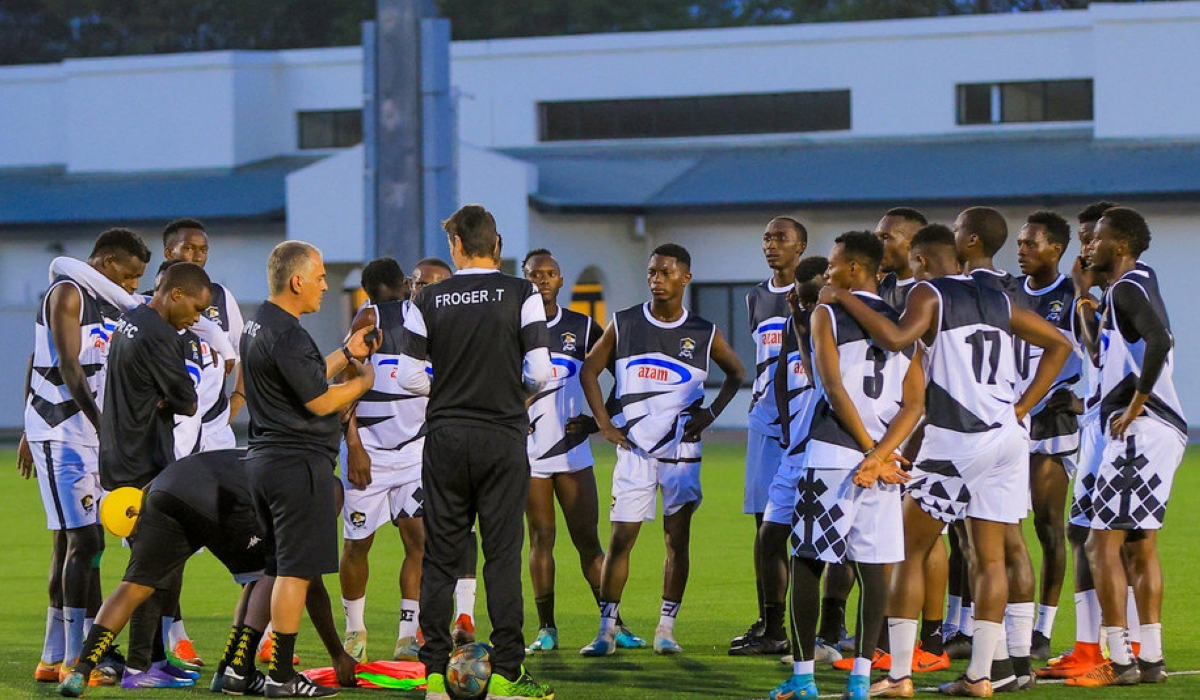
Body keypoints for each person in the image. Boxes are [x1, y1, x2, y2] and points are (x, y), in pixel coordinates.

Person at [820, 223, 1071, 697]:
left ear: (920, 261)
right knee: (989, 555)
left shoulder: (929, 294)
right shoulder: (996, 296)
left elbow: (896, 338)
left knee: (909, 552)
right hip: (1007, 437)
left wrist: (843, 298)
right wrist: (1022, 405)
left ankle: (897, 676)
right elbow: (1060, 344)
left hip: (959, 439)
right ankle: (980, 675)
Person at [395, 204, 555, 700]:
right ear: (498, 245)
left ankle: (434, 676)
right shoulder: (523, 292)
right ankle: (507, 674)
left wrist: (448, 391)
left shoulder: (429, 299)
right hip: (503, 434)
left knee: (441, 557)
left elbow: (407, 375)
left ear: (457, 246)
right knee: (502, 555)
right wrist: (510, 391)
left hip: (445, 436)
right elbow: (542, 372)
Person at [55, 449, 359, 697]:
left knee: (134, 586)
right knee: (271, 570)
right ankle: (235, 671)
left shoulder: (272, 463)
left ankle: (80, 672)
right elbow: (310, 583)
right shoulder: (306, 495)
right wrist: (337, 654)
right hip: (214, 498)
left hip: (167, 486)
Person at [769, 232, 925, 700]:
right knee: (873, 569)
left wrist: (866, 450)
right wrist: (881, 456)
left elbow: (832, 388)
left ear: (855, 269)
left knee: (807, 563)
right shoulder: (906, 322)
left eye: (833, 265)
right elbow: (915, 404)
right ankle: (860, 679)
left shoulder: (827, 312)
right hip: (883, 463)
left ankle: (803, 681)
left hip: (836, 453)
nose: (826, 275)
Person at [579, 243, 746, 657]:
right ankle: (607, 630)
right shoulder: (624, 322)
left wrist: (710, 415)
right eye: (652, 272)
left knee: (677, 540)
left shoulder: (703, 331)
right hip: (634, 451)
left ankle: (666, 628)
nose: (657, 279)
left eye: (666, 273)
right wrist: (603, 424)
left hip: (681, 454)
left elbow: (738, 372)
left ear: (685, 278)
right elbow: (589, 370)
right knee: (622, 539)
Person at [241, 240, 378, 698]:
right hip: (296, 465)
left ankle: (246, 671)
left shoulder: (261, 322)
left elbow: (305, 375)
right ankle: (281, 675)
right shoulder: (290, 333)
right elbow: (319, 398)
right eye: (319, 277)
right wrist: (361, 381)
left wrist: (345, 351)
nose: (324, 284)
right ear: (297, 280)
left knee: (282, 567)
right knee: (294, 573)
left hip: (265, 461)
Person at [21, 228, 149, 685]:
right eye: (130, 274)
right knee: (88, 543)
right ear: (107, 260)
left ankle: (52, 656)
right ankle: (79, 658)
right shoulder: (68, 292)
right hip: (61, 432)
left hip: (87, 434)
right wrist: (104, 429)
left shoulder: (112, 306)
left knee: (71, 544)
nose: (134, 284)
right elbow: (65, 365)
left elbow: (48, 363)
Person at [1065, 207, 1185, 687]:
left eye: (1096, 240)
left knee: (1099, 542)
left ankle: (1120, 661)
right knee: (1137, 544)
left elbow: (1161, 339)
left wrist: (1137, 403)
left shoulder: (1129, 286)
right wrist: (1081, 296)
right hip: (1139, 429)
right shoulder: (1128, 285)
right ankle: (1149, 660)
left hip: (1140, 428)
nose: (1087, 246)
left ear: (1120, 246)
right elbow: (1101, 353)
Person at [522, 249, 646, 653]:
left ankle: (614, 625)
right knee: (541, 539)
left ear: (561, 281)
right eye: (534, 274)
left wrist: (600, 420)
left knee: (588, 542)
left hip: (574, 454)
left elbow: (618, 374)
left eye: (550, 274)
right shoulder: (515, 327)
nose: (542, 280)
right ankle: (546, 630)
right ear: (526, 281)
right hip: (530, 454)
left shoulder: (583, 327)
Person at [950, 206, 1038, 688]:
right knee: (1006, 543)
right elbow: (1055, 347)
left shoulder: (970, 290)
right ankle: (1013, 662)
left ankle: (999, 663)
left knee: (989, 546)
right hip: (1010, 423)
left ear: (972, 240)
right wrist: (1022, 406)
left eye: (959, 228)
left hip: (978, 423)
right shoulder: (1016, 290)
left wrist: (1020, 405)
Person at [338, 258, 428, 664]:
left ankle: (408, 634)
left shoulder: (425, 319)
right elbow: (346, 383)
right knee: (359, 543)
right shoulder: (370, 319)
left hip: (412, 451)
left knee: (417, 539)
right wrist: (354, 443)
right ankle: (355, 630)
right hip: (369, 454)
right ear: (406, 283)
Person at [745, 256, 830, 660]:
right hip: (792, 444)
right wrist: (784, 429)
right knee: (771, 534)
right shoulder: (790, 324)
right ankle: (775, 626)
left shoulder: (838, 326)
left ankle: (831, 631)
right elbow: (782, 378)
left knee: (830, 546)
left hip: (831, 448)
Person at [1013, 210, 1083, 661]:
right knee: (999, 525)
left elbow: (1100, 350)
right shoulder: (1006, 292)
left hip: (1054, 420)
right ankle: (1003, 623)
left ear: (1056, 248)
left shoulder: (1074, 295)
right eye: (1019, 243)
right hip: (1009, 418)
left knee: (1046, 524)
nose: (1022, 250)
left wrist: (1080, 397)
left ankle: (1042, 629)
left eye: (1031, 244)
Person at [735, 217, 806, 655]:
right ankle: (770, 623)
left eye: (780, 238)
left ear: (801, 246)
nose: (771, 244)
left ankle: (814, 625)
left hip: (804, 423)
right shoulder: (755, 298)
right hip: (764, 423)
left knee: (805, 529)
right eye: (766, 237)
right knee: (764, 527)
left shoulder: (815, 293)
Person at [403, 256, 481, 645]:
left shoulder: (463, 332)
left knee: (461, 530)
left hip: (449, 443)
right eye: (422, 285)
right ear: (409, 286)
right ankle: (420, 623)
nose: (428, 293)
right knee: (422, 539)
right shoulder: (388, 325)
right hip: (399, 454)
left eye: (437, 287)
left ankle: (464, 615)